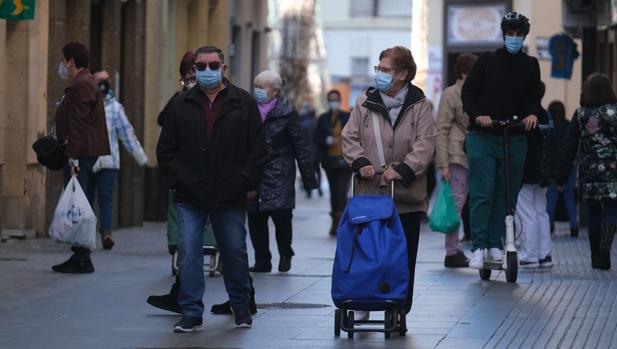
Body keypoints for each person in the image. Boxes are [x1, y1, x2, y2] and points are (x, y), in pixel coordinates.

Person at [157, 46, 266, 332]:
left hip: (229, 195)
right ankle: (191, 312)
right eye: (201, 66)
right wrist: (180, 179)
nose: (206, 71)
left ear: (223, 68)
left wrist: (245, 181)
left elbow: (257, 150)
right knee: (190, 253)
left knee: (234, 251)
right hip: (190, 195)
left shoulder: (243, 103)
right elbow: (166, 150)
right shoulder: (182, 104)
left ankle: (241, 306)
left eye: (212, 65)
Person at [342, 46, 436, 314]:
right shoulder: (364, 102)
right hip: (369, 195)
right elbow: (350, 137)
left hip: (405, 195)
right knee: (366, 251)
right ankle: (363, 298)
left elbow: (425, 144)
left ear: (403, 74)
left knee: (403, 255)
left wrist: (404, 169)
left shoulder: (420, 106)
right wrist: (360, 162)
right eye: (378, 69)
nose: (380, 74)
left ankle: (399, 306)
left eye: (386, 70)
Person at [462, 11, 542, 269]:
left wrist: (532, 114)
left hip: (515, 136)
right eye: (510, 34)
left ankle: (497, 243)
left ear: (524, 36)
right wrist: (478, 116)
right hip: (484, 135)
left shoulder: (531, 65)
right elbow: (469, 93)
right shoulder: (487, 60)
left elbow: (534, 96)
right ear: (503, 34)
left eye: (519, 35)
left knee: (507, 193)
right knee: (482, 192)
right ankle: (478, 246)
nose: (514, 39)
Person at [248, 71, 318, 273]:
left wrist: (309, 179)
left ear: (275, 90)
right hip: (255, 173)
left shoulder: (287, 112)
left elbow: (300, 146)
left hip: (280, 173)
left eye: (262, 87)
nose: (258, 91)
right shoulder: (249, 109)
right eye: (256, 86)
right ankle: (262, 260)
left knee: (282, 219)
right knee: (255, 218)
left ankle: (285, 254)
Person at [51, 42, 110, 274]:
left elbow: (79, 121)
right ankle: (79, 253)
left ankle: (82, 256)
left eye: (65, 60)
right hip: (82, 151)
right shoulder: (83, 81)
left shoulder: (83, 83)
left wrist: (73, 157)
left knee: (78, 202)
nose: (64, 65)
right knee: (79, 201)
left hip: (81, 152)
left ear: (72, 61)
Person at [558, 73, 617, 270]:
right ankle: (606, 251)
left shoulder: (581, 114)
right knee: (610, 210)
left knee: (593, 212)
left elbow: (569, 146)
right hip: (613, 171)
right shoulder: (614, 112)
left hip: (589, 172)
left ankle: (595, 256)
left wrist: (562, 177)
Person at [92, 70, 148, 250]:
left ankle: (106, 233)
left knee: (105, 198)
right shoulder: (86, 104)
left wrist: (141, 158)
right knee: (85, 198)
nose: (103, 83)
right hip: (88, 160)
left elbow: (127, 134)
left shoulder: (115, 107)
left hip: (109, 161)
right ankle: (82, 235)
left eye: (105, 80)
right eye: (99, 80)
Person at [435, 52, 477, 268]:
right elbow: (440, 129)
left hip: (469, 154)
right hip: (455, 155)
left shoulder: (474, 91)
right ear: (463, 73)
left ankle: (456, 249)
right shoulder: (451, 93)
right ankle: (451, 251)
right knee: (457, 204)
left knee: (462, 202)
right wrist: (443, 164)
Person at [515, 81, 552, 268]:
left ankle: (530, 254)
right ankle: (544, 255)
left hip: (527, 169)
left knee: (526, 211)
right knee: (541, 211)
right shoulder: (545, 114)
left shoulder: (527, 116)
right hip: (543, 171)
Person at [315, 90, 352, 235]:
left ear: (340, 100)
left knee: (341, 190)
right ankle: (335, 221)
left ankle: (342, 222)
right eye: (331, 99)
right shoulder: (323, 118)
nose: (333, 102)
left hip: (345, 160)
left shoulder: (347, 117)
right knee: (333, 192)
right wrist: (326, 141)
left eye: (336, 99)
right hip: (329, 161)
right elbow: (316, 138)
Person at [546, 100, 578, 237]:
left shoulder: (550, 127)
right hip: (569, 166)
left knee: (551, 199)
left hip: (553, 168)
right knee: (569, 198)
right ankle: (574, 227)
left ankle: (548, 227)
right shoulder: (569, 125)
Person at [298, 100, 322, 198]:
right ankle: (319, 188)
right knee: (317, 170)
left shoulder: (303, 124)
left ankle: (309, 190)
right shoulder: (317, 123)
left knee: (307, 171)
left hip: (307, 152)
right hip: (316, 152)